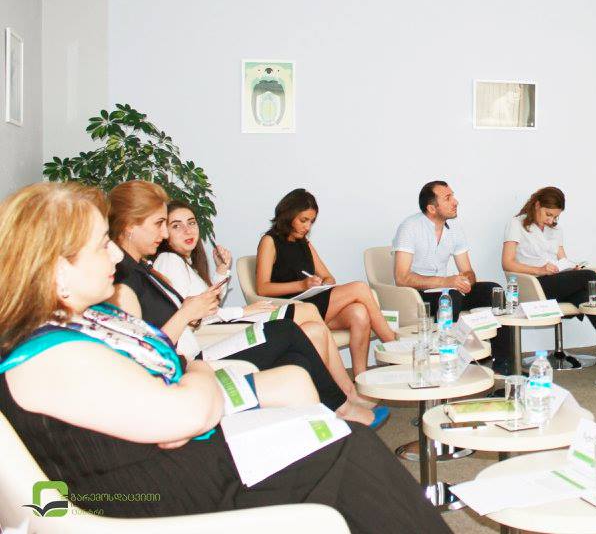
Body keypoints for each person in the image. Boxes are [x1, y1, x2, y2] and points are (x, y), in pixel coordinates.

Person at [0, 182, 449, 532]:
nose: (116, 254)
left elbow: (172, 396)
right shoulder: (47, 358)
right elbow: (188, 409)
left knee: (340, 437)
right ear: (57, 269)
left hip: (168, 458)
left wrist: (184, 393)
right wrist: (193, 380)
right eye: (102, 244)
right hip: (154, 493)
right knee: (349, 451)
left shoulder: (73, 324)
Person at [108, 181, 383, 426]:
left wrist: (216, 280)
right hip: (194, 357)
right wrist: (197, 313)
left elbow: (196, 308)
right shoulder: (129, 279)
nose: (166, 232)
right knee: (292, 327)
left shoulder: (144, 269)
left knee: (306, 340)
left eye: (188, 223)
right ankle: (345, 403)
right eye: (163, 224)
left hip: (201, 345)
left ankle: (333, 405)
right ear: (131, 226)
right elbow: (146, 350)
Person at [154, 200, 366, 408]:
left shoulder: (184, 263)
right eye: (176, 226)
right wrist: (243, 311)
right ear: (163, 231)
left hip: (218, 326)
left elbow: (208, 304)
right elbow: (194, 315)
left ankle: (325, 400)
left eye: (191, 223)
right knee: (309, 310)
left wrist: (221, 271)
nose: (187, 230)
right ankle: (347, 392)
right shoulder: (169, 260)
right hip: (211, 336)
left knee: (315, 330)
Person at [501, 186, 596, 372]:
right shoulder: (517, 224)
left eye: (555, 217)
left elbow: (562, 259)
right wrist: (539, 270)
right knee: (591, 277)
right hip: (533, 284)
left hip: (555, 282)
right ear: (537, 205)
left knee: (586, 297)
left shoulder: (555, 230)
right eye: (548, 214)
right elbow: (507, 263)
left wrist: (572, 268)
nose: (551, 220)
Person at [255, 188, 398, 375]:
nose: (307, 227)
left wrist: (320, 283)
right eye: (303, 220)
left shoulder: (304, 243)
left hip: (313, 302)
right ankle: (393, 347)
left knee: (359, 312)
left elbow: (329, 277)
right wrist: (301, 285)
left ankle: (361, 378)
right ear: (288, 215)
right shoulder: (269, 241)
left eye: (311, 221)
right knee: (360, 288)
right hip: (293, 309)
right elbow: (262, 288)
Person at [392, 180, 511, 373]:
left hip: (447, 291)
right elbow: (402, 278)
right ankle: (450, 363)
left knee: (493, 290)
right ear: (432, 208)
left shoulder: (454, 228)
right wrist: (448, 282)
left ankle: (504, 364)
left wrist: (466, 281)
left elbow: (468, 271)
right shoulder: (410, 227)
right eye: (448, 198)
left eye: (453, 196)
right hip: (417, 295)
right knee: (450, 297)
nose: (455, 202)